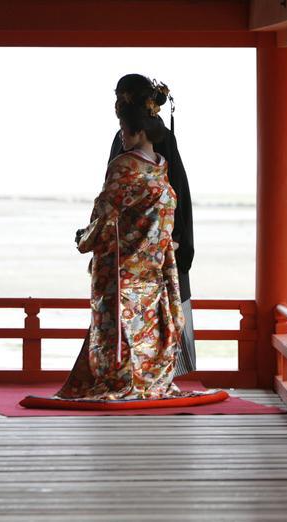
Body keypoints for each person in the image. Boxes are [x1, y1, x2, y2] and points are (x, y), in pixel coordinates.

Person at [51, 91, 206, 402]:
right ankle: (148, 380)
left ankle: (120, 380)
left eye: (124, 129)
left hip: (120, 265)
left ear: (138, 131)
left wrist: (85, 238)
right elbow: (163, 215)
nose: (121, 134)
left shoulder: (124, 165)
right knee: (146, 326)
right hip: (151, 264)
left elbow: (106, 212)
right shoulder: (162, 165)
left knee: (116, 329)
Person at [108, 74, 197, 378]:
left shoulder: (134, 142)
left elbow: (113, 201)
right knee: (155, 311)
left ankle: (137, 375)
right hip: (159, 239)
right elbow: (178, 194)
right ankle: (156, 376)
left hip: (142, 243)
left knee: (141, 312)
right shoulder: (142, 138)